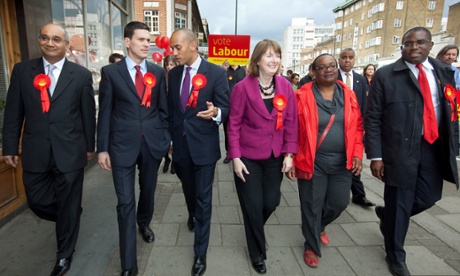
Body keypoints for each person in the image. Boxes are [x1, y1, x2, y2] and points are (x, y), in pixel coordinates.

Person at [2, 23, 96, 276]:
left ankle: (64, 255)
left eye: (56, 39)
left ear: (66, 45)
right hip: (35, 151)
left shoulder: (81, 74)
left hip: (70, 151)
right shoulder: (22, 71)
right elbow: (13, 113)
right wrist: (9, 146)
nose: (50, 43)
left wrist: (90, 147)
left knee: (67, 203)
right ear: (40, 41)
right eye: (45, 38)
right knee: (37, 201)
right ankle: (70, 216)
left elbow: (88, 115)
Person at [366, 27, 459, 276]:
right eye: (408, 43)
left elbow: (450, 111)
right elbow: (373, 118)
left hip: (433, 146)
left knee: (429, 197)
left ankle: (388, 214)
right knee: (401, 200)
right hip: (398, 150)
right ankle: (396, 255)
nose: (414, 47)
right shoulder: (386, 75)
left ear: (430, 46)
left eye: (420, 43)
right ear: (402, 47)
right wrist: (376, 155)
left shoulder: (443, 72)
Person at [97, 21, 170, 276]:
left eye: (148, 40)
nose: (146, 44)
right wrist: (102, 149)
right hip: (121, 146)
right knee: (125, 202)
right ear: (127, 42)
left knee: (148, 191)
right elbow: (104, 113)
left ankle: (144, 222)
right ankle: (129, 264)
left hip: (152, 144)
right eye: (141, 39)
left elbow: (163, 110)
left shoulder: (158, 73)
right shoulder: (110, 72)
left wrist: (165, 138)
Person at [227, 39, 298, 274]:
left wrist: (289, 153)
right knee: (253, 204)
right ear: (257, 60)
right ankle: (257, 253)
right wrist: (235, 156)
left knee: (271, 202)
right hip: (247, 157)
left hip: (274, 156)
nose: (274, 60)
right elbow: (234, 124)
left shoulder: (286, 86)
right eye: (268, 55)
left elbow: (290, 122)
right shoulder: (242, 87)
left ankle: (253, 225)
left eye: (277, 55)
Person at [287, 53, 364, 268]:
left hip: (342, 162)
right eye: (322, 67)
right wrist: (291, 157)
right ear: (313, 72)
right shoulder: (301, 95)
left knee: (339, 202)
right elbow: (292, 129)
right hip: (313, 160)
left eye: (332, 66)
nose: (328, 70)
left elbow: (358, 127)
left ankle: (319, 226)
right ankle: (311, 245)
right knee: (312, 204)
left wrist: (358, 153)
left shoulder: (349, 95)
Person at [168, 28, 230, 276]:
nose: (173, 53)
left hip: (204, 148)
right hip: (180, 147)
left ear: (193, 45)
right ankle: (192, 213)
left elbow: (226, 106)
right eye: (172, 48)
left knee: (204, 200)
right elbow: (172, 111)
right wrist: (169, 141)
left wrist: (216, 113)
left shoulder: (215, 73)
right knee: (189, 190)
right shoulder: (173, 75)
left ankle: (200, 253)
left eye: (177, 48)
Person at [337, 48, 375, 208]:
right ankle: (338, 194)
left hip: (355, 128)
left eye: (351, 58)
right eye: (344, 57)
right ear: (339, 59)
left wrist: (365, 127)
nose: (347, 60)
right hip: (337, 126)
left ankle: (359, 195)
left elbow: (365, 105)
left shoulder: (360, 80)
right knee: (342, 161)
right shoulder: (332, 76)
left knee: (354, 159)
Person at [221, 59, 246, 164]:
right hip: (228, 105)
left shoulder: (244, 70)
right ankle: (229, 153)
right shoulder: (224, 70)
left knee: (242, 130)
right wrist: (222, 71)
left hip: (243, 105)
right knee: (228, 130)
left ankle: (241, 152)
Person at [162, 54, 178, 174]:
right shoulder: (162, 78)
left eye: (171, 64)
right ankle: (166, 158)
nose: (169, 67)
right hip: (164, 113)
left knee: (174, 139)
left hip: (175, 113)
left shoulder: (178, 77)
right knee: (164, 139)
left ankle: (174, 161)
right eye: (167, 64)